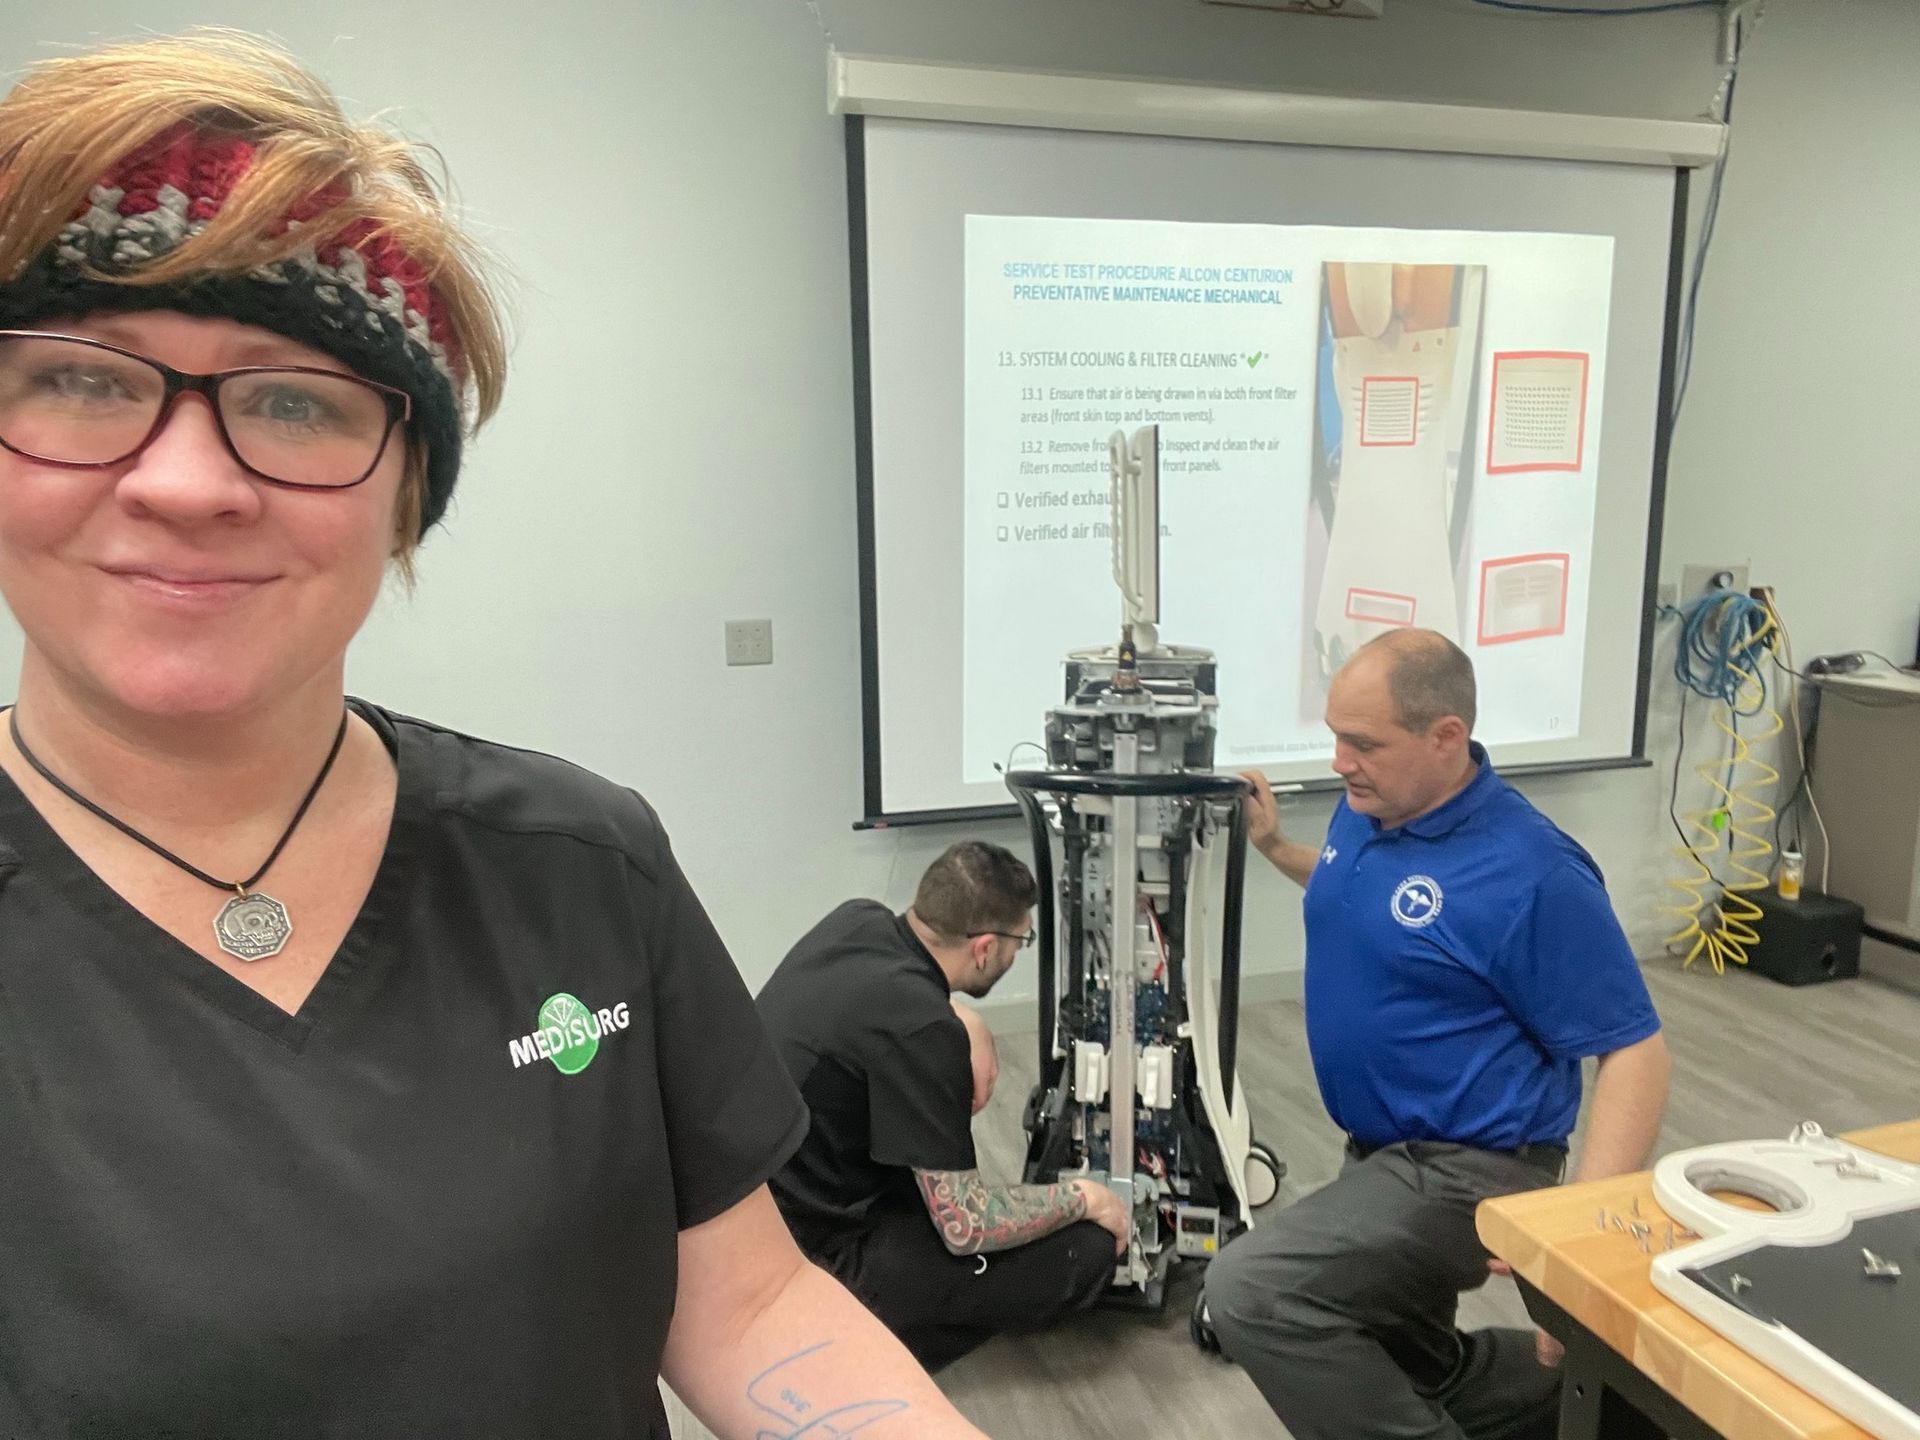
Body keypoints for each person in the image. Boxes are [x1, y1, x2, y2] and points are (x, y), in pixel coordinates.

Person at [0, 32, 984, 1440]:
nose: (187, 480)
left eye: (293, 400)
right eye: (90, 379)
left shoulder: (579, 863)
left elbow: (748, 1300)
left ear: (403, 496)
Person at [1203, 629, 1670, 1440]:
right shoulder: (1372, 809)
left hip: (1471, 1171)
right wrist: (1276, 846)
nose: (1340, 761)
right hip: (1382, 1153)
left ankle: (1620, 1372)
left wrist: (1579, 1247)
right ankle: (1613, 1401)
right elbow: (1374, 898)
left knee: (1253, 1291)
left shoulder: (1532, 871)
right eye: (1334, 737)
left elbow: (1636, 1051)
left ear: (1446, 736)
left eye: (1363, 743)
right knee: (1405, 1364)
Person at [757, 841, 1129, 1371]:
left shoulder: (857, 921)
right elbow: (967, 1224)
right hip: (820, 1258)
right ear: (982, 949)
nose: (1016, 951)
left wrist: (960, 1016)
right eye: (1019, 940)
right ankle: (857, 1348)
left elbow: (886, 1000)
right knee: (1089, 1250)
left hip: (767, 1205)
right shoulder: (924, 1030)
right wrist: (1083, 1198)